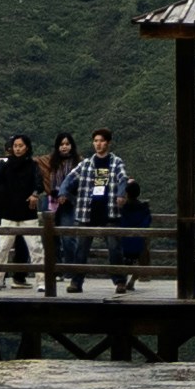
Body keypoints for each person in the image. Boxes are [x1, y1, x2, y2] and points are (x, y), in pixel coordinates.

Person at [60, 125, 136, 291]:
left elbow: (123, 178)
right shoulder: (86, 163)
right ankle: (76, 282)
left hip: (109, 211)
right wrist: (63, 192)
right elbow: (70, 177)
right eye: (95, 141)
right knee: (81, 250)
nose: (98, 144)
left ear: (108, 143)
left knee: (115, 249)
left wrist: (121, 195)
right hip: (87, 212)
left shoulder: (116, 162)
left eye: (101, 141)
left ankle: (120, 281)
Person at [0, 133, 45, 284]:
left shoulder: (33, 165)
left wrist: (35, 194)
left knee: (36, 248)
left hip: (27, 212)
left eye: (21, 146)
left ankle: (42, 282)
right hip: (8, 212)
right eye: (15, 146)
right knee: (2, 248)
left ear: (27, 147)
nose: (18, 149)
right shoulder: (5, 165)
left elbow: (39, 183)